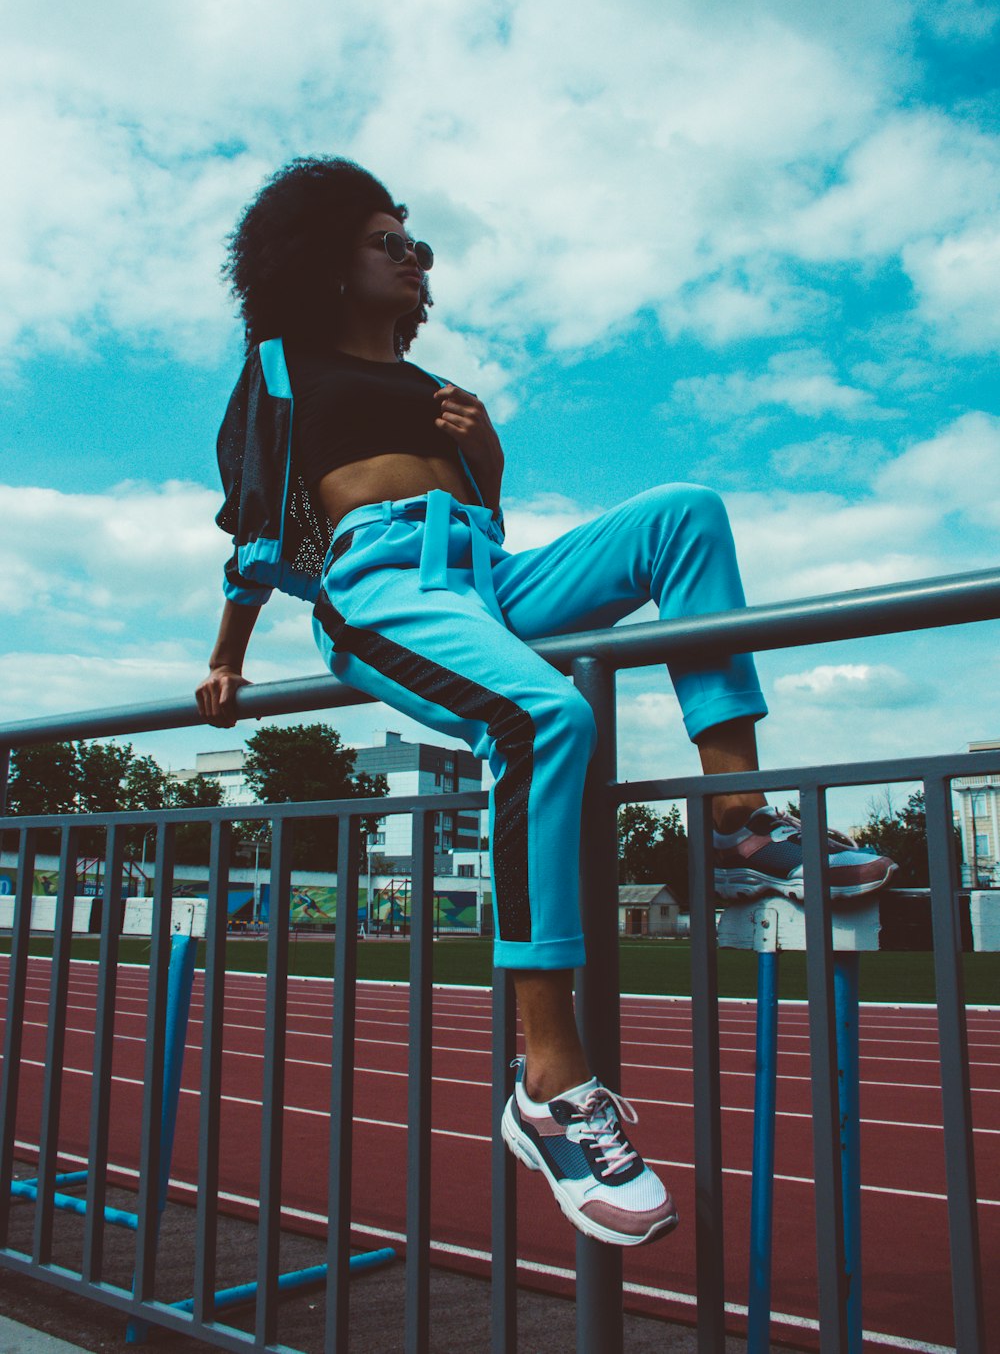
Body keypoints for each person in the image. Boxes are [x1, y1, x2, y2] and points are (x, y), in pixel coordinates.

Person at [196, 157, 896, 1248]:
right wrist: (229, 656)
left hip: (484, 578)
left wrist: (487, 455)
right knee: (544, 718)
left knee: (685, 513)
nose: (414, 259)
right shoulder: (283, 366)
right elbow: (253, 531)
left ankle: (734, 815)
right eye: (390, 240)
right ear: (325, 258)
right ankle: (548, 1082)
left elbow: (494, 525)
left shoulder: (438, 388)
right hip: (379, 589)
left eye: (420, 247)